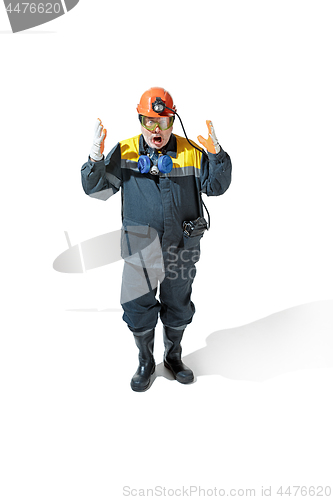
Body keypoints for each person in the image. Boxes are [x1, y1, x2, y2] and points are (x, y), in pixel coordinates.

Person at [81, 87, 232, 392]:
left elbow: (216, 186)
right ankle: (146, 360)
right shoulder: (126, 152)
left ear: (172, 123)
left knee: (178, 303)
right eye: (149, 122)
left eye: (162, 122)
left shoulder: (190, 151)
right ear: (140, 121)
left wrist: (216, 155)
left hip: (181, 248)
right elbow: (97, 190)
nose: (156, 130)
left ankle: (173, 356)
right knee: (138, 305)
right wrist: (95, 157)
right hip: (141, 250)